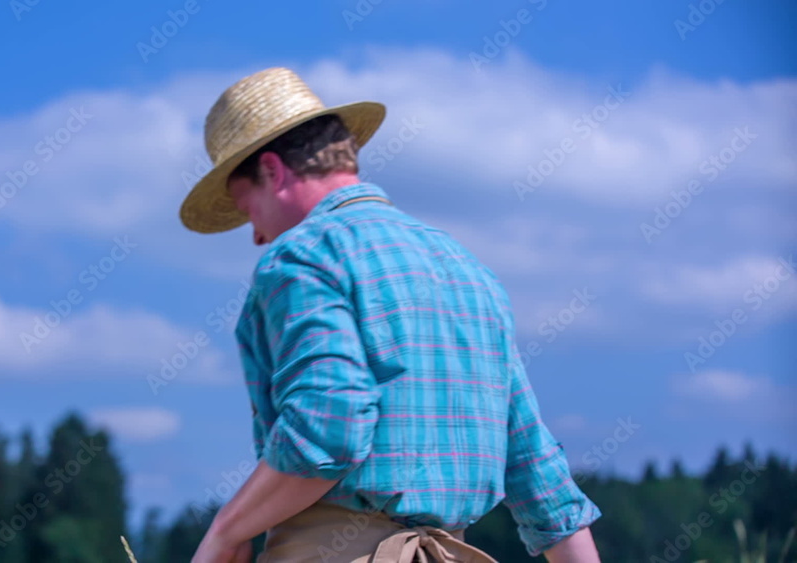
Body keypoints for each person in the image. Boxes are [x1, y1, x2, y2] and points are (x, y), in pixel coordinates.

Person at [180, 67, 602, 563]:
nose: (255, 234)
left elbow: (328, 428)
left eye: (245, 206)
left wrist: (226, 530)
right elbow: (537, 473)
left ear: (272, 171)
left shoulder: (302, 256)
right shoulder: (468, 270)